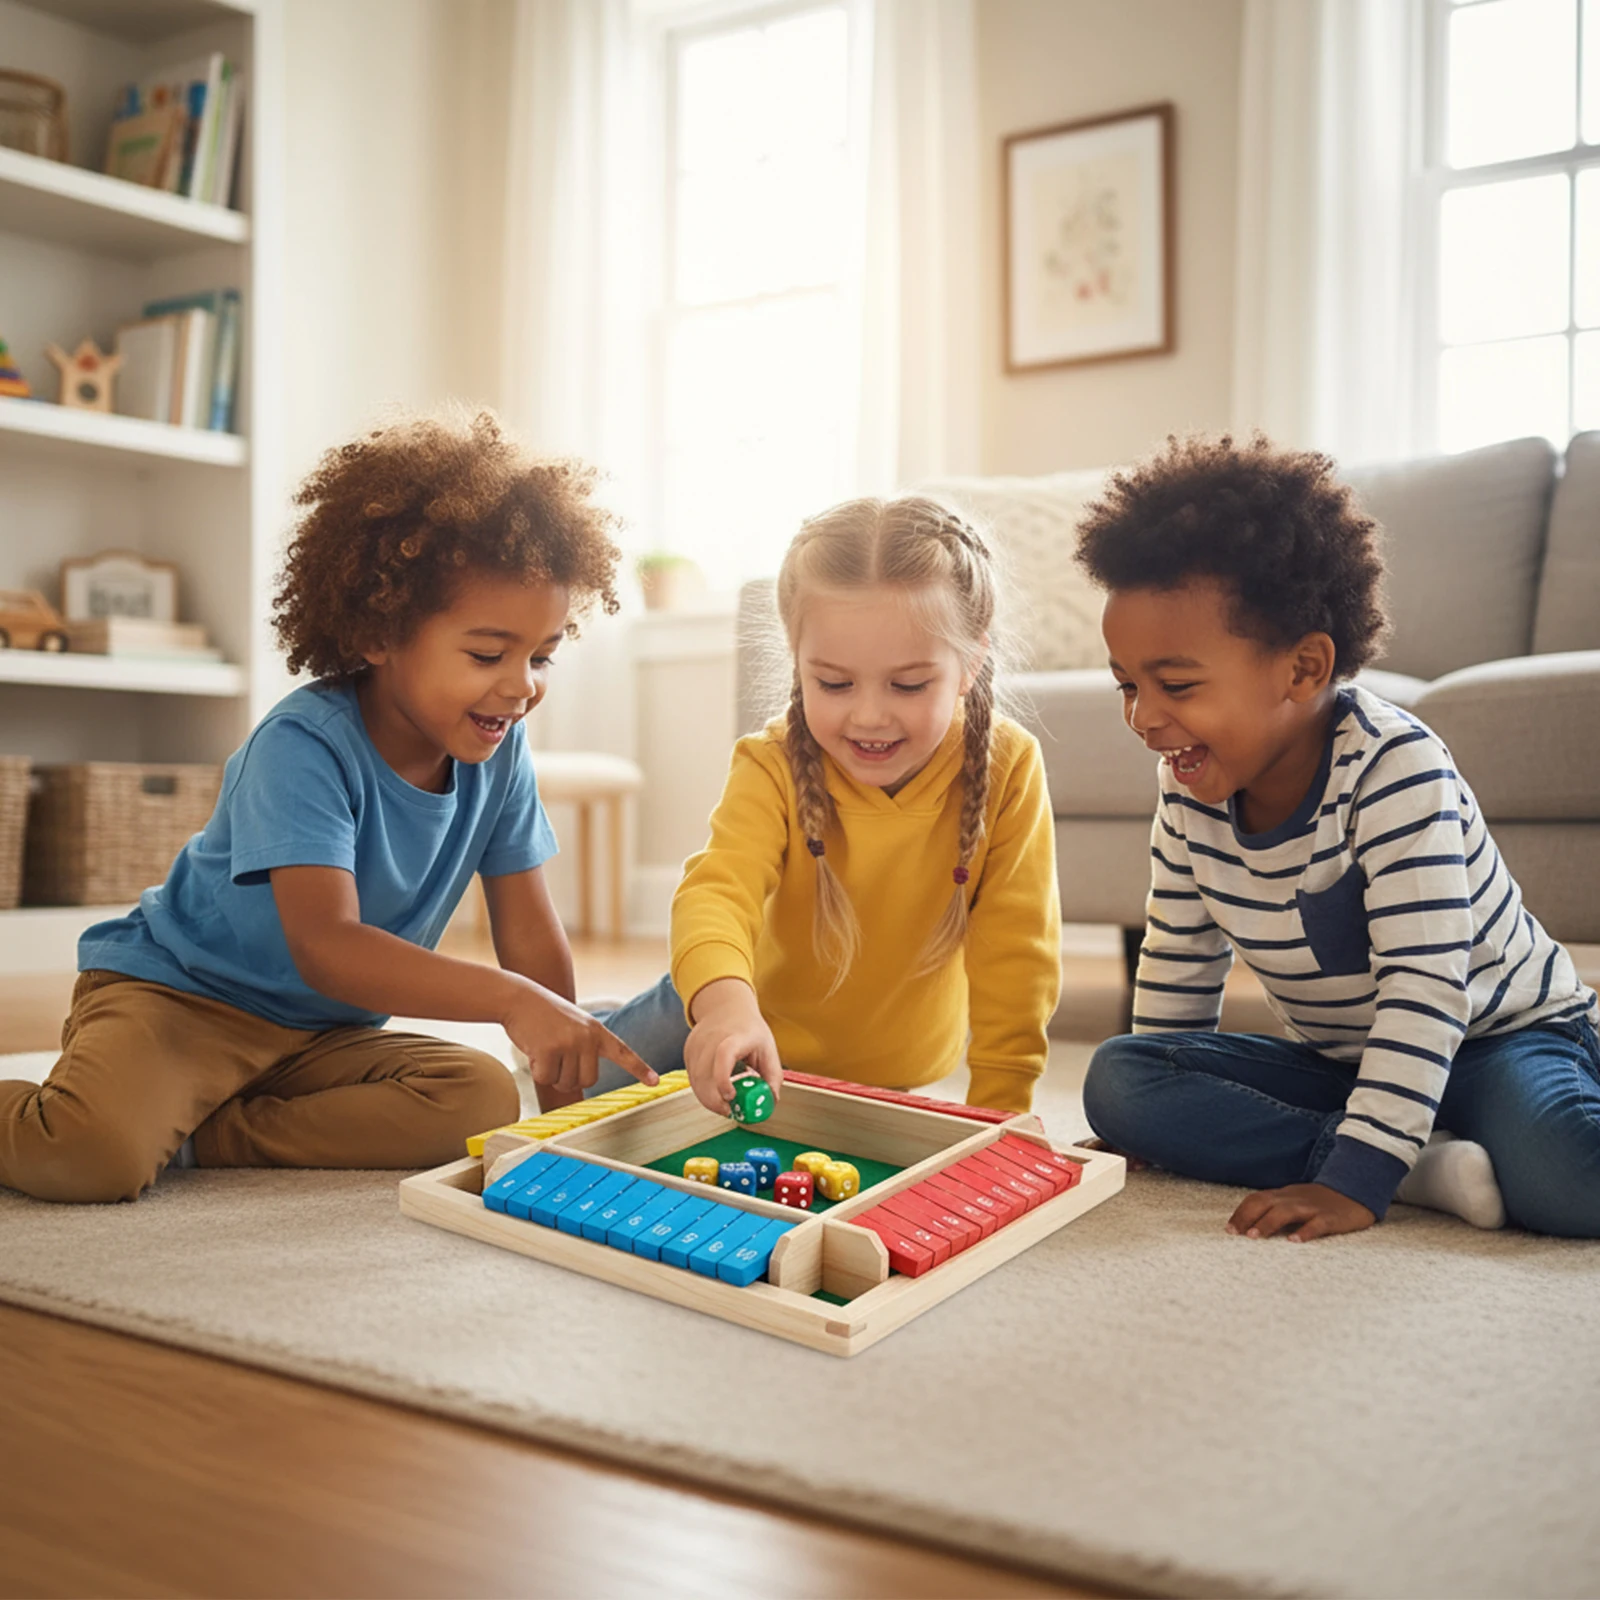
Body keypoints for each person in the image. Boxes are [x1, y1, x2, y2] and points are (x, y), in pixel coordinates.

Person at [0, 410, 653, 1204]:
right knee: (90, 1157)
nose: (522, 685)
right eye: (488, 654)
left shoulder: (499, 749)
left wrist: (565, 1111)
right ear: (380, 633)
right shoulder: (304, 745)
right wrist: (513, 1002)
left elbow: (530, 937)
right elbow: (329, 947)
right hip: (178, 1002)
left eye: (541, 655)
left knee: (477, 1099)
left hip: (322, 1042)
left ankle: (203, 1133)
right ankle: (135, 1112)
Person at [1076, 433, 1600, 1241]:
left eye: (1175, 684)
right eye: (1127, 686)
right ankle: (1423, 1164)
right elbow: (1180, 963)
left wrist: (1356, 1185)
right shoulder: (1189, 789)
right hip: (1347, 1063)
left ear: (1304, 669)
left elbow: (1427, 992)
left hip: (1498, 1038)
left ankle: (1387, 1148)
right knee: (1120, 1079)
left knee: (1568, 1181)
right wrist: (1148, 1123)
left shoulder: (1397, 772)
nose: (1144, 717)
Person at [595, 495, 1061, 1119]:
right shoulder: (771, 761)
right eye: (835, 684)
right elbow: (716, 892)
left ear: (971, 663)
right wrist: (726, 1007)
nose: (869, 715)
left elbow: (1019, 951)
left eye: (909, 684)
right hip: (741, 1018)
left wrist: (1003, 1109)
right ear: (797, 660)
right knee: (592, 1081)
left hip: (898, 1064)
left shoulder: (1009, 765)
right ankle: (596, 1019)